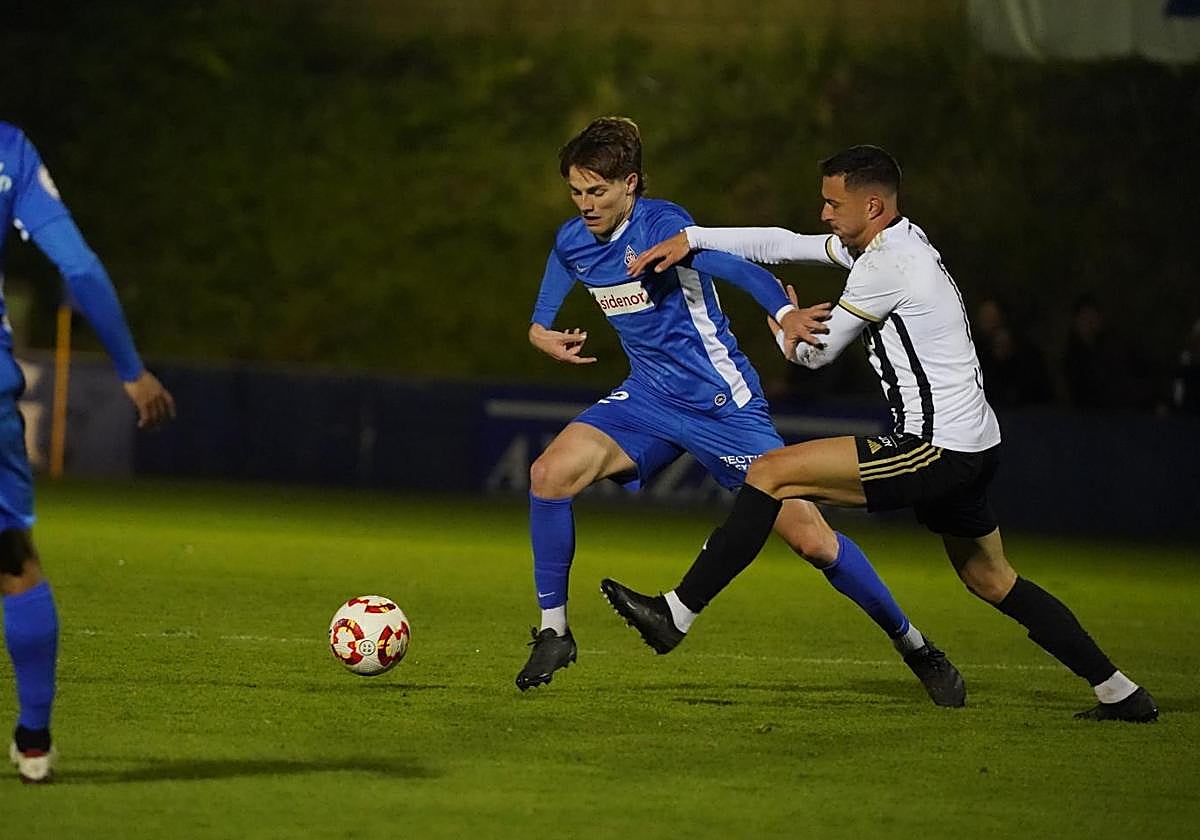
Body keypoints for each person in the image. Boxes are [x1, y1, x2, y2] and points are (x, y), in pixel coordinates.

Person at [606, 145, 1156, 722]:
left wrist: (780, 321)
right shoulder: (894, 240)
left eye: (831, 203)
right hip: (974, 445)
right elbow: (784, 242)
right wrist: (694, 238)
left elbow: (811, 358)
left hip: (933, 450)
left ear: (871, 205)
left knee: (769, 472)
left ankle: (679, 612)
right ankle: (1120, 692)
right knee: (991, 580)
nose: (822, 214)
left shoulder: (886, 266)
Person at [519, 117, 965, 708]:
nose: (586, 205)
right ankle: (554, 633)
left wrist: (782, 317)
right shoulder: (575, 238)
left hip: (720, 403)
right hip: (648, 398)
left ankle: (917, 647)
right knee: (548, 475)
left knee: (811, 541)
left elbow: (733, 265)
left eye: (597, 192)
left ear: (631, 184)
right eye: (576, 192)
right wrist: (539, 328)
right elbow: (561, 266)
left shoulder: (663, 225)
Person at [1, 122, 176, 783]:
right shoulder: (10, 151)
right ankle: (35, 741)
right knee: (12, 559)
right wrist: (131, 369)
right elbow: (77, 265)